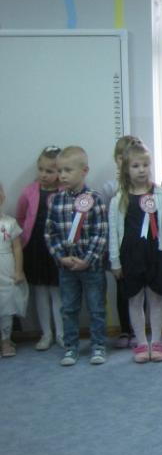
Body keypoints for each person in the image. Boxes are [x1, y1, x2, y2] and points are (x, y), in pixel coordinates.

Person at [108, 141, 162, 363]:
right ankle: (140, 343)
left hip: (156, 254)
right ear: (126, 169)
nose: (141, 170)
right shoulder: (119, 198)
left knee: (156, 299)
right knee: (135, 300)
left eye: (145, 165)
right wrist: (115, 261)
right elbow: (113, 232)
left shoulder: (161, 194)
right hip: (131, 256)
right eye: (136, 166)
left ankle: (156, 341)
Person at [45, 146, 108, 366]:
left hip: (92, 267)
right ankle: (70, 347)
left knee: (96, 308)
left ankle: (98, 345)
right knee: (68, 308)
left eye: (68, 170)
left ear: (84, 171)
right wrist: (61, 257)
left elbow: (101, 233)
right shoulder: (56, 201)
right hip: (66, 267)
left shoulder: (95, 199)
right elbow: (50, 233)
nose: (62, 175)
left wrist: (87, 260)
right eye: (60, 170)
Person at [15, 145, 63, 350]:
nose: (43, 174)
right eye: (41, 169)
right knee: (40, 292)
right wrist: (23, 240)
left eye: (49, 171)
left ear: (60, 171)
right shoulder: (30, 192)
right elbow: (20, 216)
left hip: (57, 250)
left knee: (58, 292)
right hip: (35, 248)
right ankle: (46, 334)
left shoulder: (65, 191)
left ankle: (61, 333)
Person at [102, 135, 142, 348]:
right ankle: (125, 330)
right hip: (119, 248)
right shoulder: (110, 188)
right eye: (121, 157)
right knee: (122, 290)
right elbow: (106, 222)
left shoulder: (146, 187)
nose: (126, 162)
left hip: (140, 248)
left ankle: (138, 330)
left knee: (141, 290)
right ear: (116, 159)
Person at [0, 182, 27, 358]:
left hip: (6, 269)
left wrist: (18, 270)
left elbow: (17, 248)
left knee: (6, 305)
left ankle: (6, 340)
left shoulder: (9, 223)